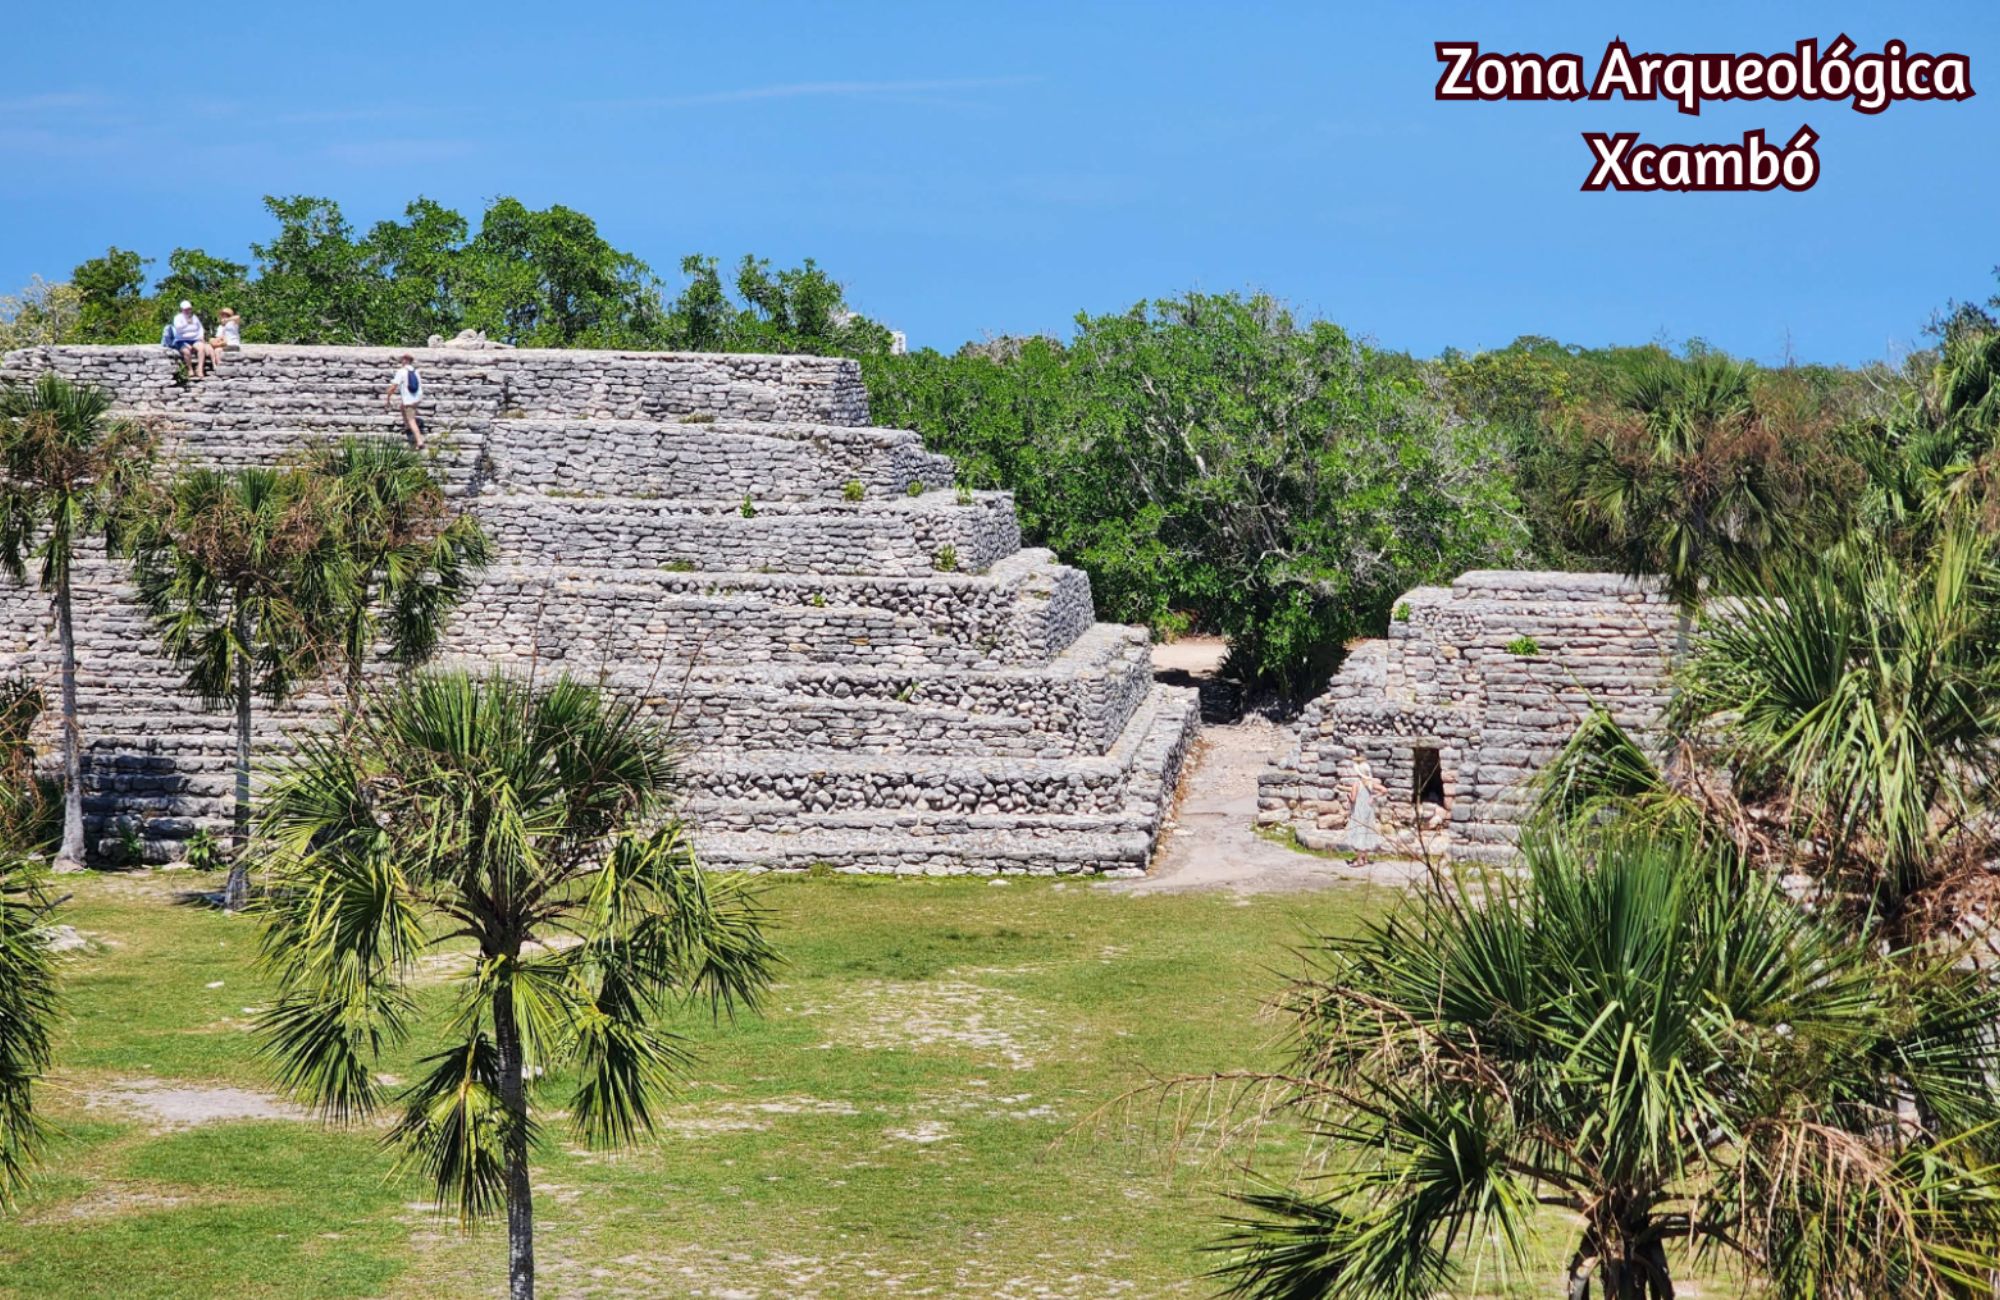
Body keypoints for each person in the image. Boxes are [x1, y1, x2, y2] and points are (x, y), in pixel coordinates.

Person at [386, 354, 425, 449]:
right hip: (417, 398)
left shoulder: (402, 371)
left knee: (411, 419)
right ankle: (407, 427)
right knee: (402, 407)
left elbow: (394, 386)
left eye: (402, 359)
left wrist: (388, 397)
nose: (401, 361)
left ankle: (419, 441)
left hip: (409, 400)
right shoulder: (415, 372)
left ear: (405, 360)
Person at [166, 301, 208, 378]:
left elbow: (200, 328)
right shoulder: (178, 318)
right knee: (186, 351)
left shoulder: (194, 317)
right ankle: (190, 369)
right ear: (182, 309)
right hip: (182, 339)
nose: (188, 311)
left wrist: (201, 336)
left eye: (189, 309)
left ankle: (200, 368)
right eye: (186, 309)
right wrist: (186, 323)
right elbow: (178, 328)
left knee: (201, 348)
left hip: (194, 339)